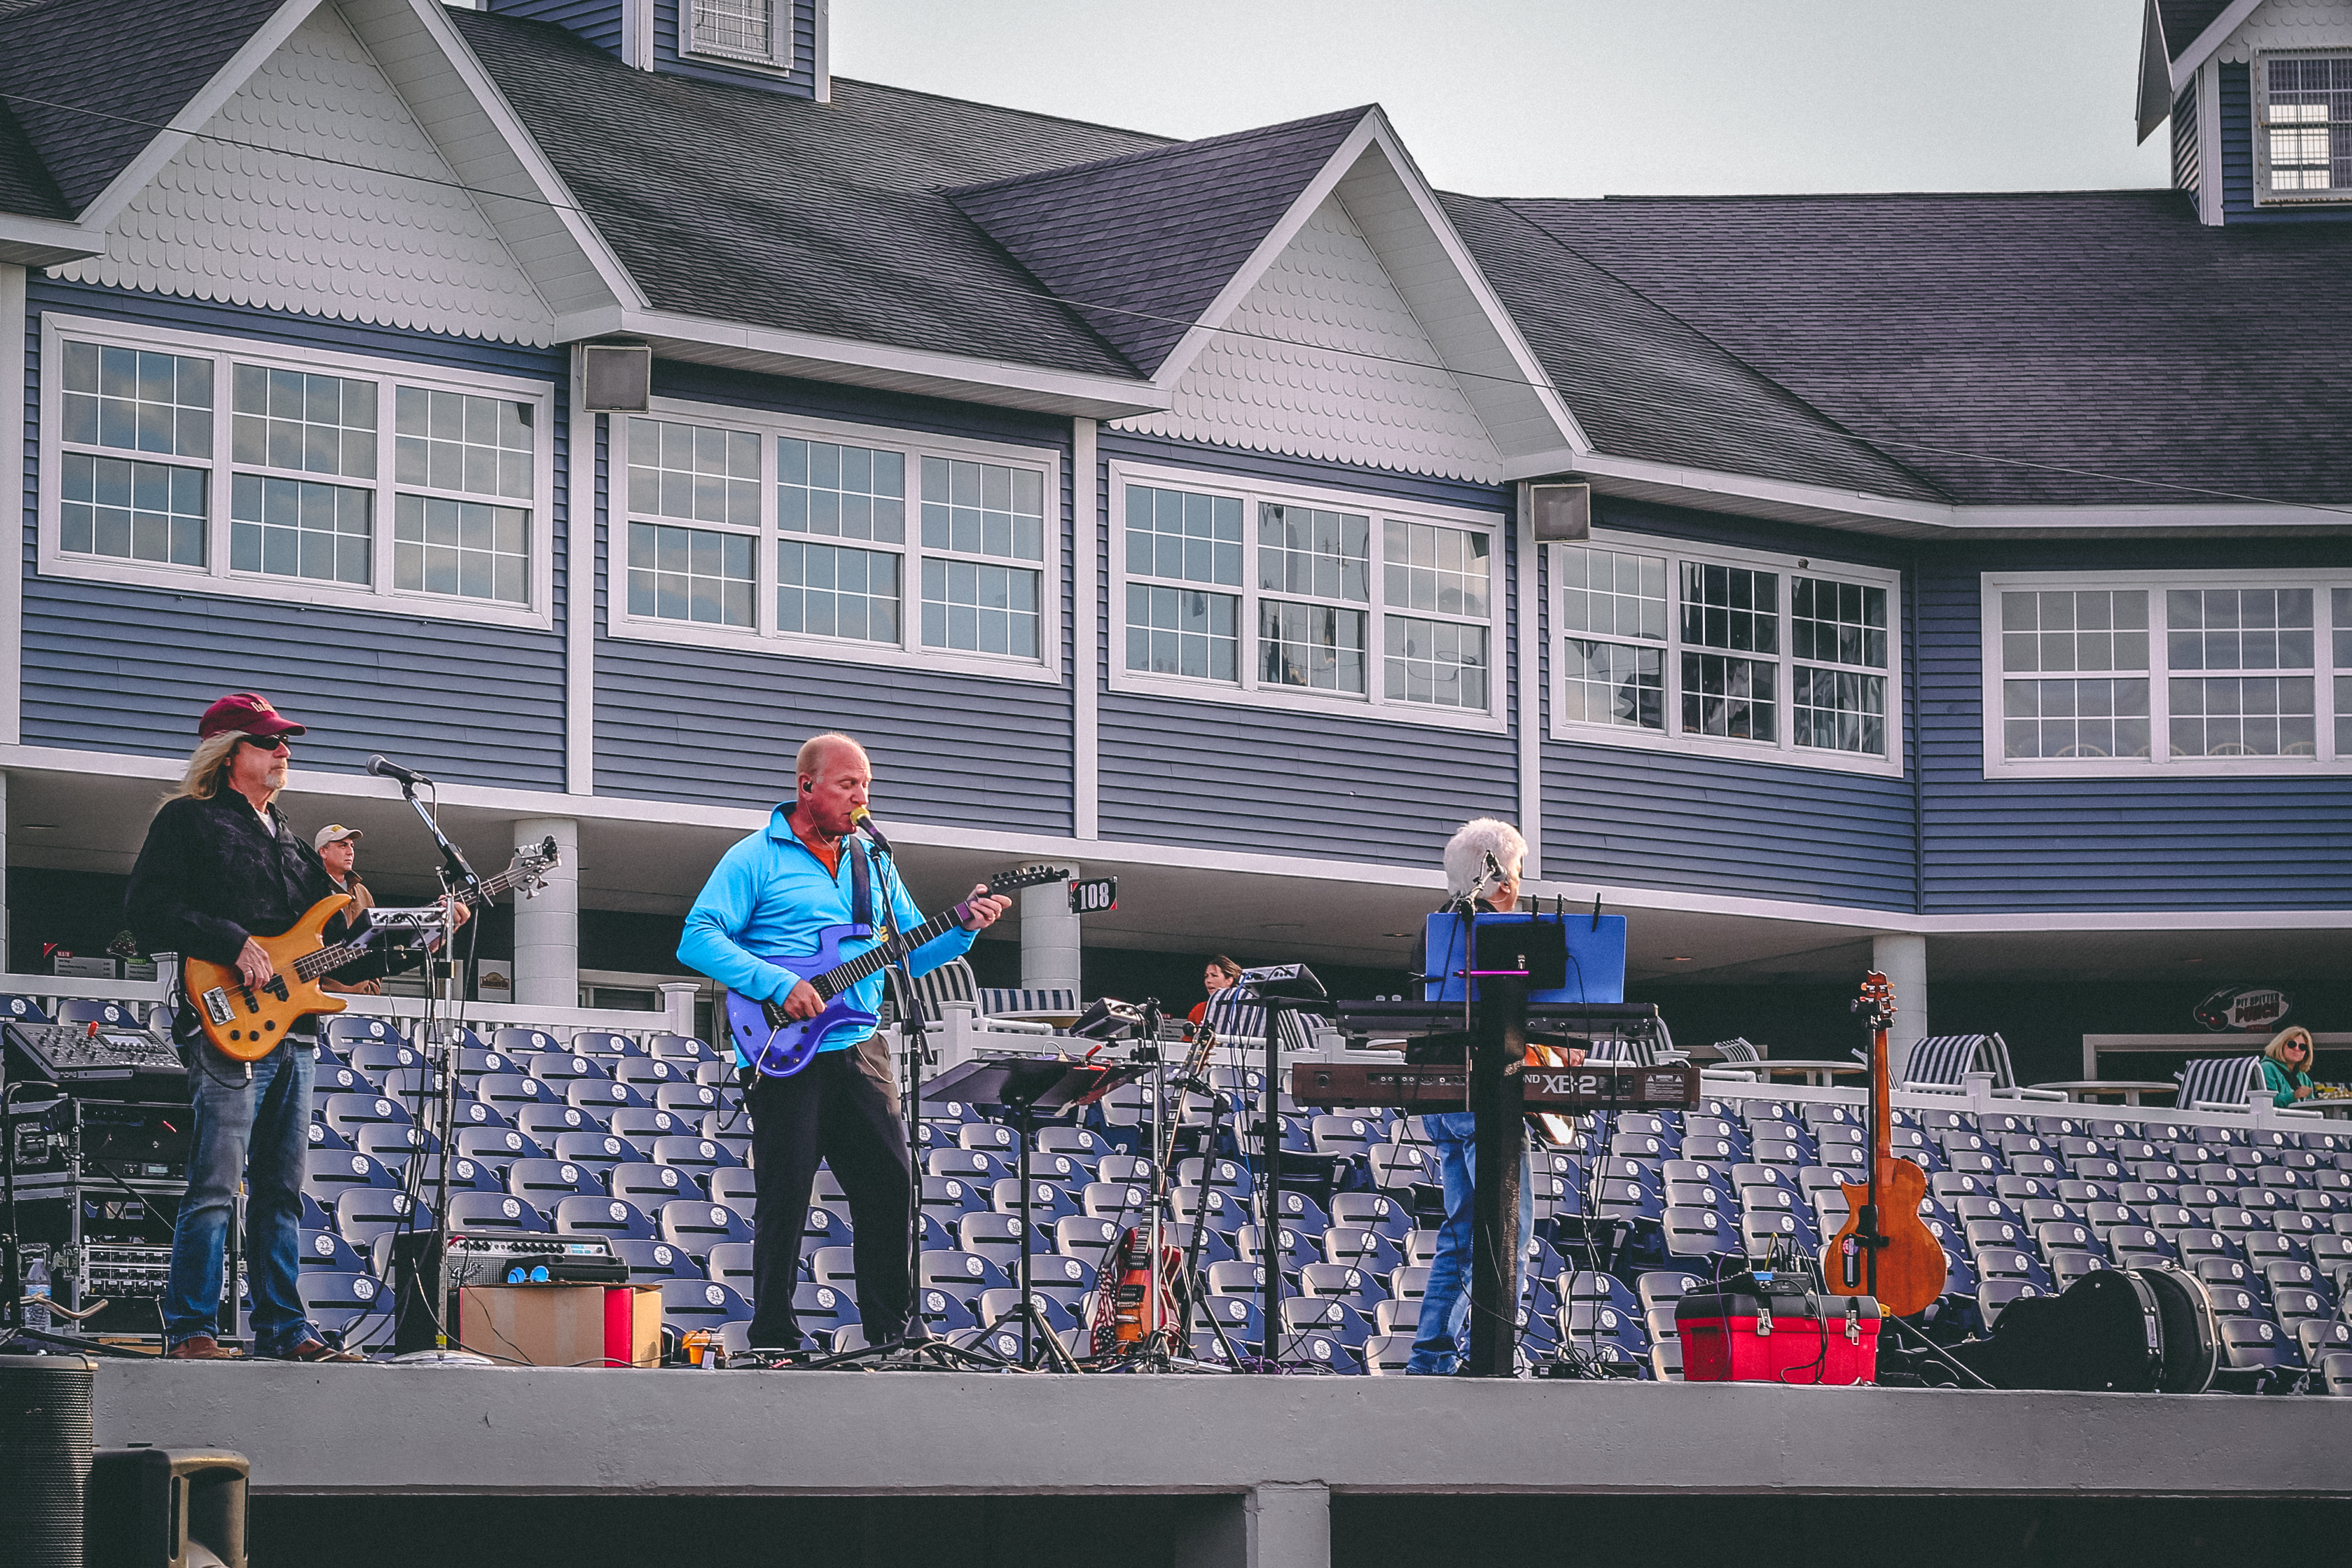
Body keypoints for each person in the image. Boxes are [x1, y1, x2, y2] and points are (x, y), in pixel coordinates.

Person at [126, 693, 464, 1361]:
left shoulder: (290, 839)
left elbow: (346, 948)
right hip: (224, 1021)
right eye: (269, 742)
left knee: (282, 1191)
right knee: (216, 1184)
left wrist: (424, 935)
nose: (284, 752)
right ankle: (190, 1329)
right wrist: (230, 942)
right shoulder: (188, 822)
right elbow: (148, 909)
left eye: (284, 742)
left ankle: (283, 1329)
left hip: (295, 1032)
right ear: (229, 754)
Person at [677, 732, 1009, 1357]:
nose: (862, 797)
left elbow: (910, 952)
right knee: (786, 1192)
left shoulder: (873, 860)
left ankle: (896, 1335)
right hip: (781, 1044)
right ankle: (774, 1333)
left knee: (891, 1186)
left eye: (867, 785)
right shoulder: (754, 856)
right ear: (807, 786)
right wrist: (777, 981)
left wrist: (963, 928)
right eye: (848, 784)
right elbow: (697, 938)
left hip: (859, 1042)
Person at [1405, 817, 1582, 1377]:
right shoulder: (1495, 932)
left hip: (1444, 1099)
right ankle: (1495, 1348)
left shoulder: (1438, 930)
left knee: (1463, 1232)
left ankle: (1432, 1358)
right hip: (1481, 1098)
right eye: (1519, 874)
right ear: (1500, 878)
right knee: (1510, 1225)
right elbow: (1508, 1017)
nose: (1521, 887)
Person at [312, 825, 381, 995]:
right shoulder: (309, 887)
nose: (350, 852)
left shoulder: (363, 893)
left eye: (352, 846)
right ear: (323, 852)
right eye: (343, 845)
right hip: (318, 997)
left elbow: (377, 942)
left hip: (362, 999)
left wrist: (373, 988)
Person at [2261, 1026, 2318, 1107]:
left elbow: (2311, 1106)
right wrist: (2294, 1096)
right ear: (2281, 1045)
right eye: (2292, 1044)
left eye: (2302, 1047)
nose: (2297, 1049)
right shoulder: (2267, 1068)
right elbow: (2266, 1102)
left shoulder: (2304, 1077)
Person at [1187, 954, 1244, 1025]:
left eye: (1214, 975)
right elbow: (1188, 1036)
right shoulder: (1200, 1009)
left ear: (1229, 980)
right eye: (1206, 976)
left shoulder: (1243, 1009)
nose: (1208, 981)